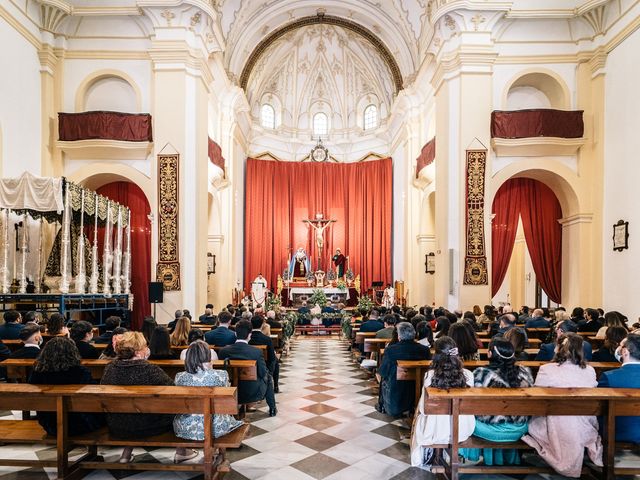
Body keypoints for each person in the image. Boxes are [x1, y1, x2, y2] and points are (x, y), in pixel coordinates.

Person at [101, 331, 196, 463]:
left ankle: (126, 454)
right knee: (178, 407)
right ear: (138, 351)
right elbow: (174, 391)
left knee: (131, 412)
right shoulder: (149, 369)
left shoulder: (110, 368)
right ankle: (182, 451)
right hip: (148, 426)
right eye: (145, 346)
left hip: (118, 425)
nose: (147, 349)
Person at [523, 333, 602, 477]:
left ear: (558, 348)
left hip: (554, 418)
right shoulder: (589, 370)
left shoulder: (546, 369)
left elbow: (538, 394)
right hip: (582, 417)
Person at [460, 338, 534, 466]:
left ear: (489, 354)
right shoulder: (524, 372)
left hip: (490, 430)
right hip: (520, 428)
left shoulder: (481, 373)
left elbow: (472, 405)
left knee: (464, 419)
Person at [410, 336, 475, 468]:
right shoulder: (468, 374)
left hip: (435, 431)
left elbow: (424, 408)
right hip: (462, 430)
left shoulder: (430, 375)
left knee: (419, 414)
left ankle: (428, 455)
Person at [29, 337, 104, 435]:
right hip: (80, 423)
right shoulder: (80, 371)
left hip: (49, 423)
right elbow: (93, 393)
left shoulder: (38, 371)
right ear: (72, 352)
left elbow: (31, 388)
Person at [173, 341, 244, 443]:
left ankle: (183, 452)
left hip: (184, 426)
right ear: (208, 356)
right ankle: (219, 455)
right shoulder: (221, 375)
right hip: (214, 426)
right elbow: (226, 400)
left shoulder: (179, 376)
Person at [218, 319, 277, 416]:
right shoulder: (256, 352)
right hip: (252, 393)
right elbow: (262, 373)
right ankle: (272, 408)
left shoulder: (223, 351)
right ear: (250, 335)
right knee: (268, 377)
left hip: (230, 390)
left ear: (236, 334)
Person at [378, 322, 431, 416]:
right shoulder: (424, 349)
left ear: (399, 336)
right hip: (417, 386)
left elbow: (383, 372)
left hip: (397, 391)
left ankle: (382, 405)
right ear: (414, 334)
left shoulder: (391, 350)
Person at [597, 334, 640, 443]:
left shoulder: (609, 377)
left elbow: (598, 408)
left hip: (617, 432)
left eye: (620, 346)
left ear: (625, 352)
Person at [249, 316, 280, 392]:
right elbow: (271, 357)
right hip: (264, 363)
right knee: (276, 361)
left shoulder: (248, 337)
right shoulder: (266, 339)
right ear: (262, 325)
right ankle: (275, 385)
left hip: (249, 361)